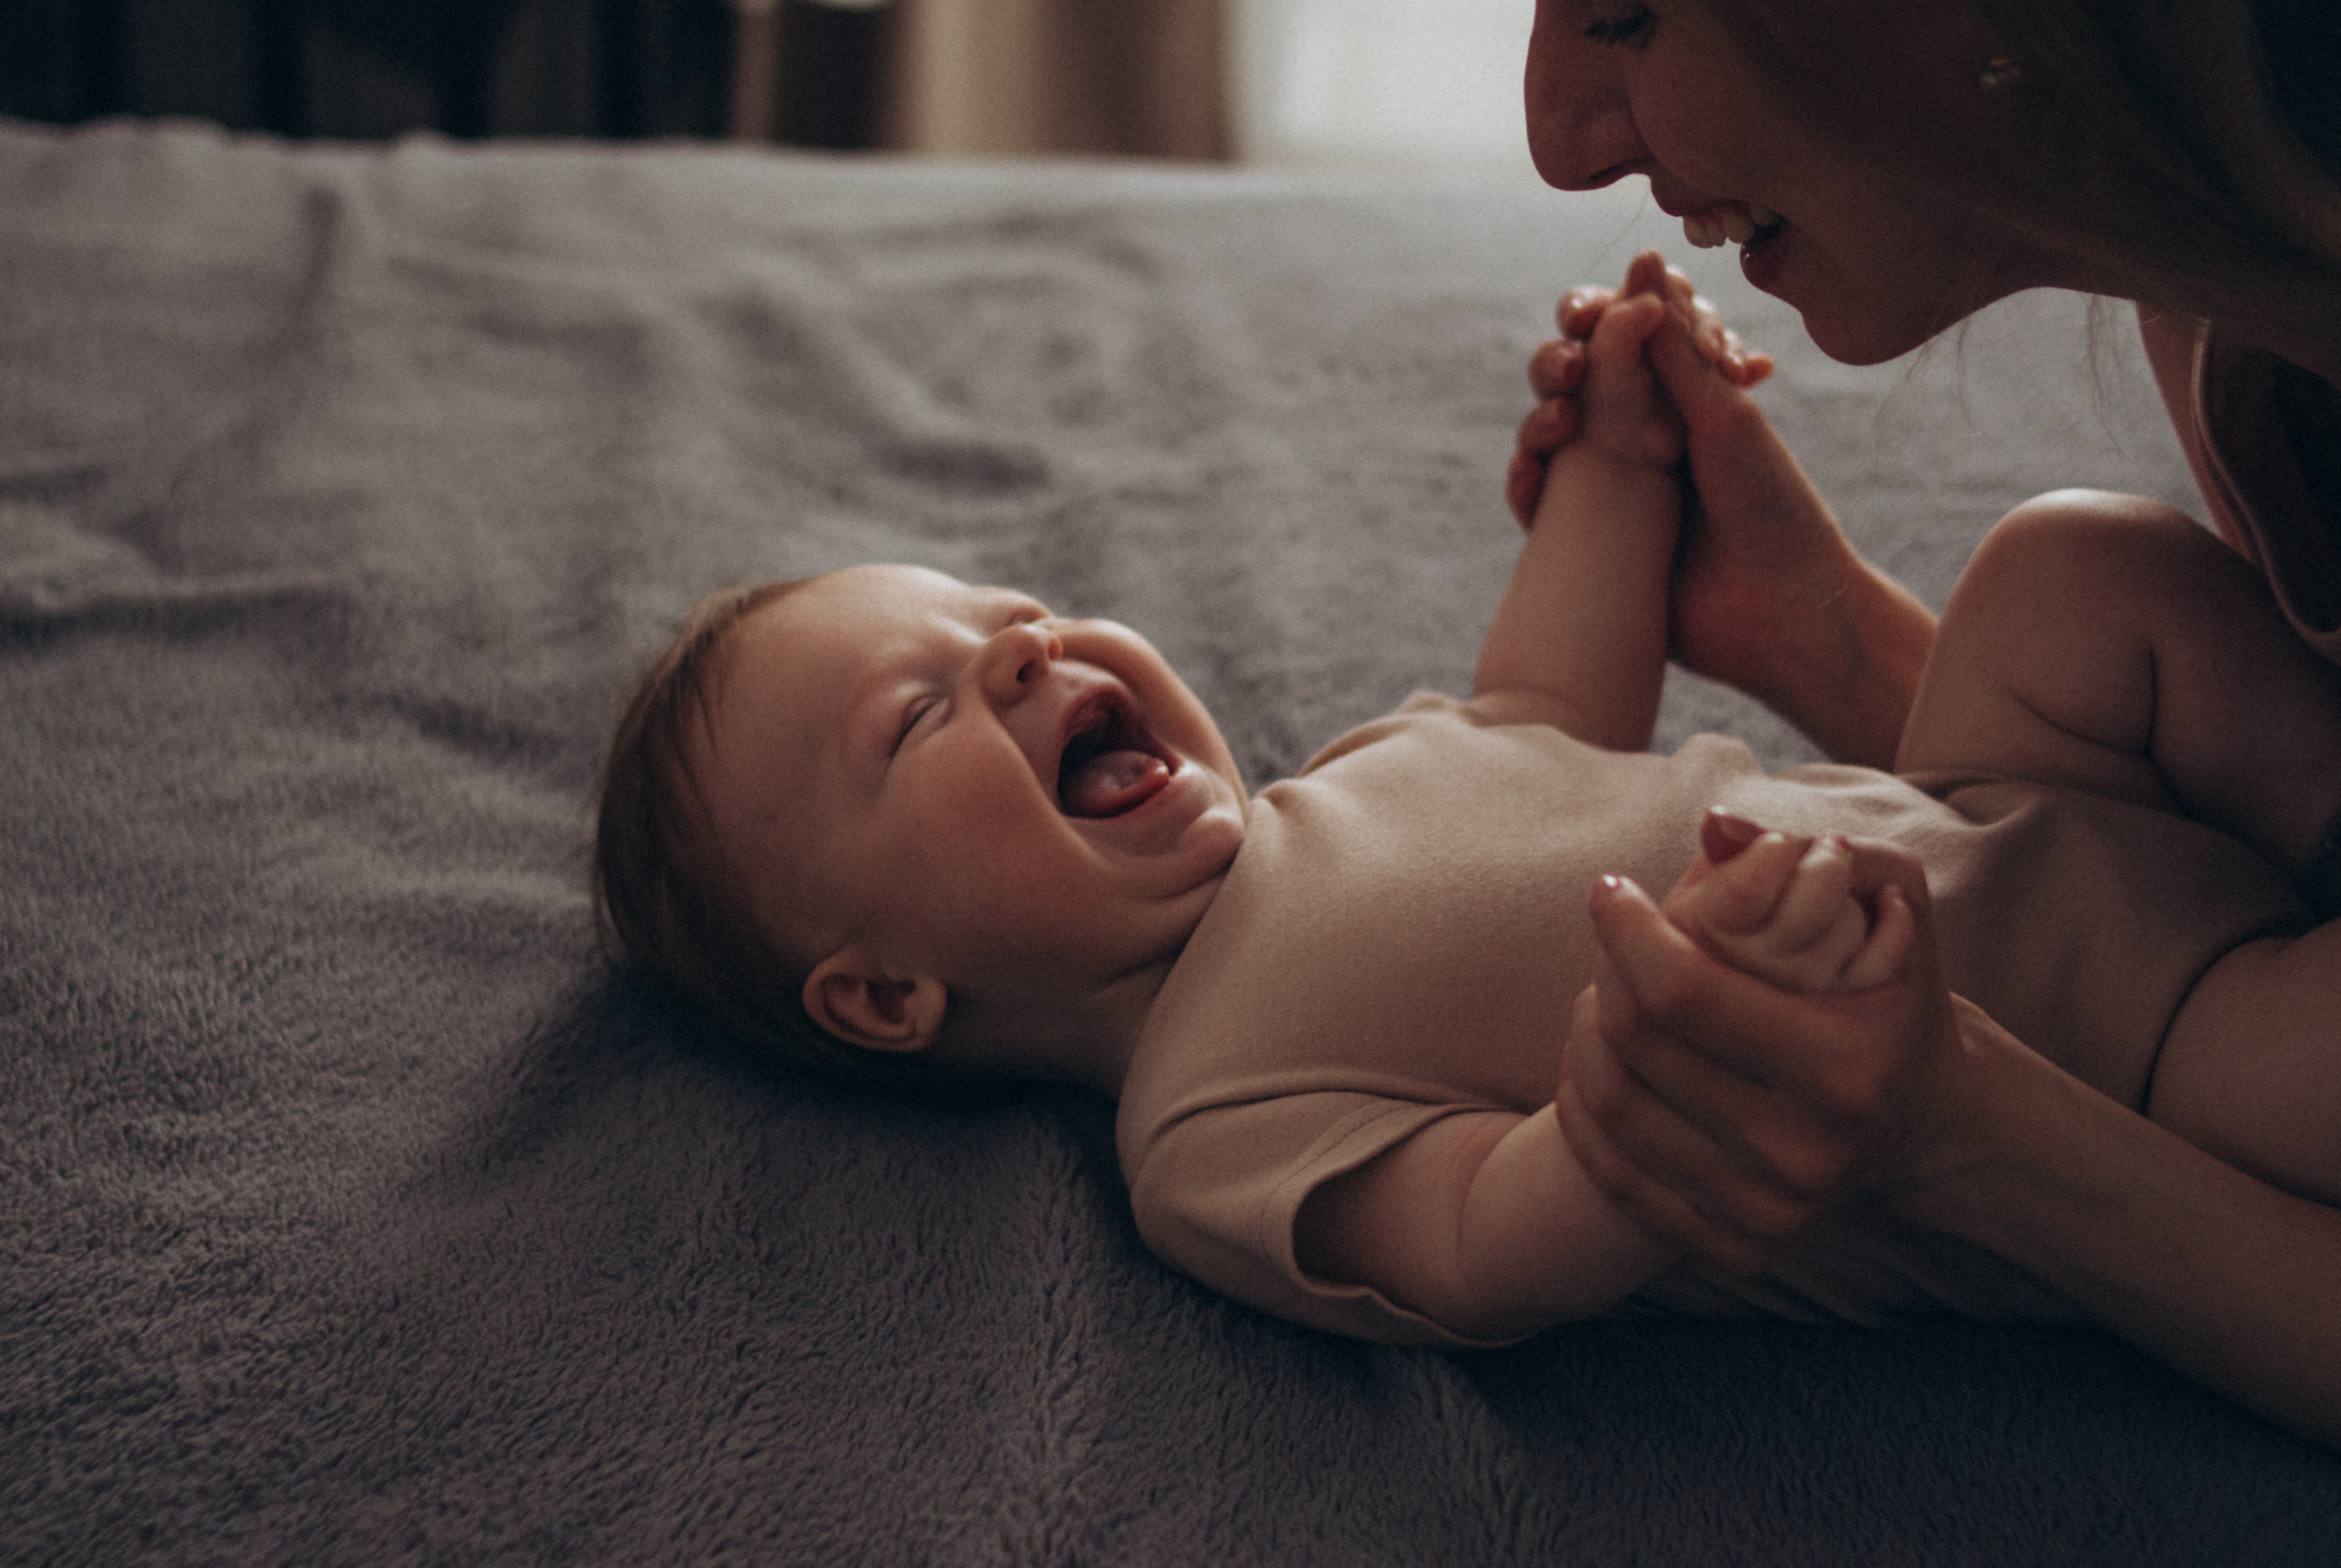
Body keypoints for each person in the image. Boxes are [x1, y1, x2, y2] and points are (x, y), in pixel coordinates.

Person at [593, 276, 2339, 1363]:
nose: (1029, 648)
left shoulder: (1339, 790)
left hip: (1999, 806)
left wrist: (1620, 450)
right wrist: (1639, 1088)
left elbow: (1539, 709)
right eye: (918, 716)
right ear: (889, 994)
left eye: (1008, 609)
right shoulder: (1210, 1128)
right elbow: (1482, 1243)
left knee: (2063, 569)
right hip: (2127, 1056)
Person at [1509, 1, 2341, 1444]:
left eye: (1628, 18)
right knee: (2066, 574)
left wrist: (1974, 1144)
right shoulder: (2227, 286)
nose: (1559, 143)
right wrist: (1821, 634)